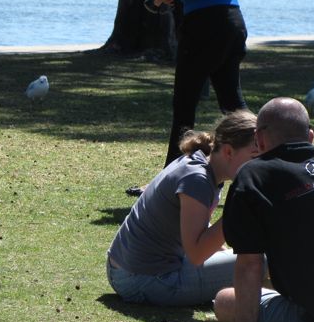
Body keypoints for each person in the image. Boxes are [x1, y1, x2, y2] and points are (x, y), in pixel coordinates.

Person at [209, 98, 314, 322]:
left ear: (259, 140)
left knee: (224, 300)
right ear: (310, 135)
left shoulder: (253, 177)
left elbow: (249, 264)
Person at [107, 110, 258, 306]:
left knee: (254, 256)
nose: (260, 165)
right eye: (255, 156)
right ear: (229, 152)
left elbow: (197, 227)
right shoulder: (197, 179)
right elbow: (196, 254)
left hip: (125, 270)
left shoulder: (201, 164)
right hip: (144, 279)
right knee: (261, 260)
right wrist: (238, 211)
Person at [127, 0, 249, 198]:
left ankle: (168, 181)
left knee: (184, 106)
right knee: (234, 106)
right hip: (231, 20)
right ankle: (264, 168)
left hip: (206, 24)